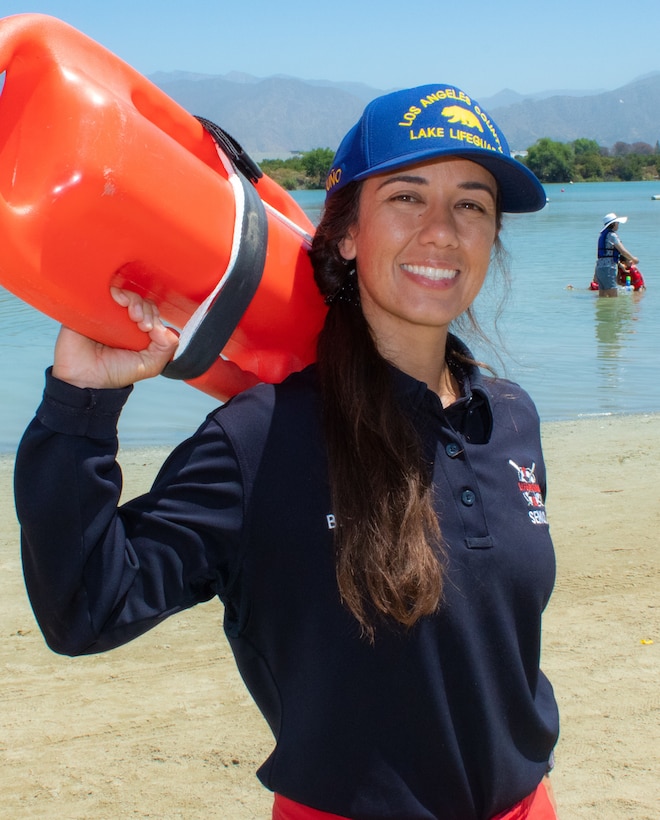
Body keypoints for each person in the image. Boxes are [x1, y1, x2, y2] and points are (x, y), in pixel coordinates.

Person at [14, 84, 559, 820]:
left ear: (492, 239)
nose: (442, 230)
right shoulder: (262, 438)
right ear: (345, 234)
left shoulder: (511, 418)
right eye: (406, 196)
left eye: (472, 204)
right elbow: (86, 608)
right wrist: (82, 401)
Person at [594, 212, 639, 297]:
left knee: (602, 295)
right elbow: (623, 251)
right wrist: (633, 259)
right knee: (613, 296)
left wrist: (595, 273)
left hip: (600, 268)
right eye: (617, 223)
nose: (618, 224)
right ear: (613, 224)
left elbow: (602, 256)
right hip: (609, 268)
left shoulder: (602, 235)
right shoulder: (612, 235)